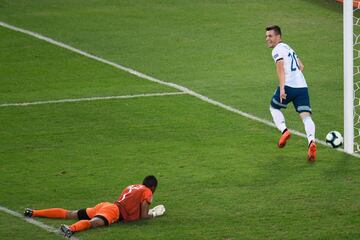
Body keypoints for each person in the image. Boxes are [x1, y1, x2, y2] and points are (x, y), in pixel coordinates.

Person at [24, 175, 165, 238]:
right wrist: (154, 213)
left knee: (71, 213)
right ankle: (70, 229)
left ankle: (33, 212)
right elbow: (143, 216)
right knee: (94, 223)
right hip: (113, 211)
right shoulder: (147, 191)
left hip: (106, 205)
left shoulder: (133, 186)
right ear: (153, 187)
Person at [265, 25, 316, 162]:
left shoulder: (277, 50)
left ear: (278, 37)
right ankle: (311, 141)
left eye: (270, 36)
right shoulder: (289, 47)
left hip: (288, 86)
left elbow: (280, 69)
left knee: (273, 107)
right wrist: (295, 77)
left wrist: (282, 88)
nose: (267, 39)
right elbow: (301, 66)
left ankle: (284, 130)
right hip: (302, 86)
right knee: (306, 116)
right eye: (266, 36)